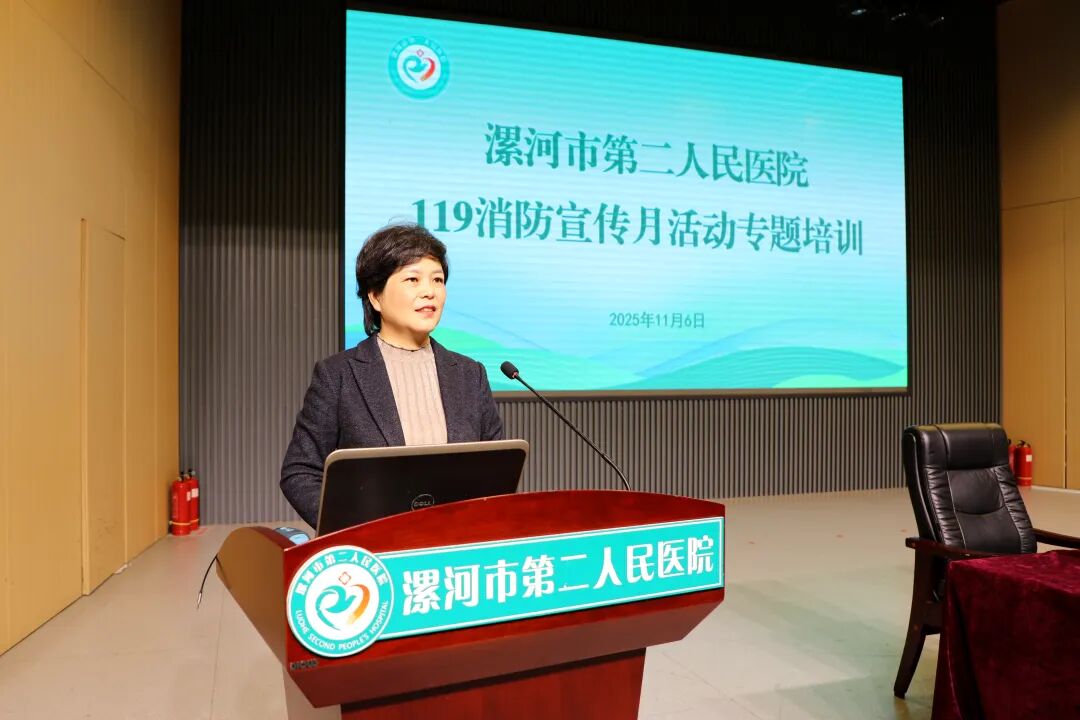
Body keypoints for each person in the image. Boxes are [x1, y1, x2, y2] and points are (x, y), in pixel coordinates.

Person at [280, 223, 503, 527]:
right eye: (413, 279)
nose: (429, 291)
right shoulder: (338, 376)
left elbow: (496, 471)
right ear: (375, 296)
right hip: (374, 547)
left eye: (437, 279)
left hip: (457, 543)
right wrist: (350, 527)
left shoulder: (469, 374)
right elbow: (300, 470)